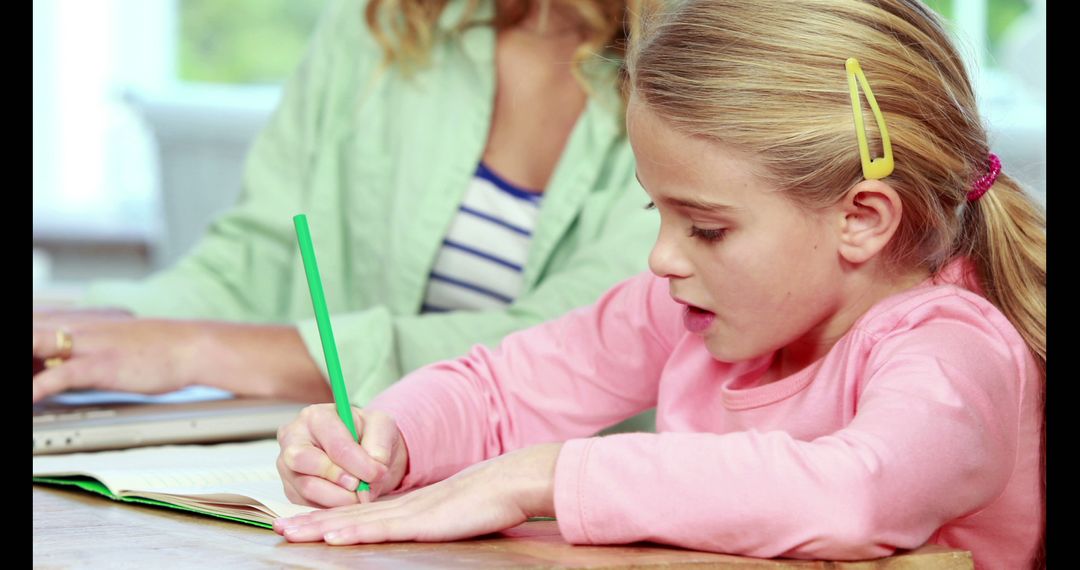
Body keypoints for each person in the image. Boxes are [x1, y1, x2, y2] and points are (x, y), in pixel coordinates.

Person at [271, 0, 1046, 567]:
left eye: (705, 228)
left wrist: (547, 475)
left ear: (862, 218)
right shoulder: (690, 308)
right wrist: (392, 439)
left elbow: (853, 495)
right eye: (659, 213)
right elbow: (500, 392)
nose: (663, 260)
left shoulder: (952, 351)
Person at [31, 0, 659, 422]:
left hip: (565, 513)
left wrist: (195, 351)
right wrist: (85, 331)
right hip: (356, 482)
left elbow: (580, 347)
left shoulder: (696, 60)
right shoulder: (380, 24)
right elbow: (255, 264)